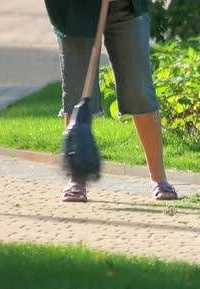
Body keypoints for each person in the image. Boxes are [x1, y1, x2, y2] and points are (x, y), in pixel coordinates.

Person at [44, 0, 177, 202]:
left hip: (126, 7)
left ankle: (159, 179)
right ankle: (77, 178)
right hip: (75, 9)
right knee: (77, 89)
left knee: (138, 86)